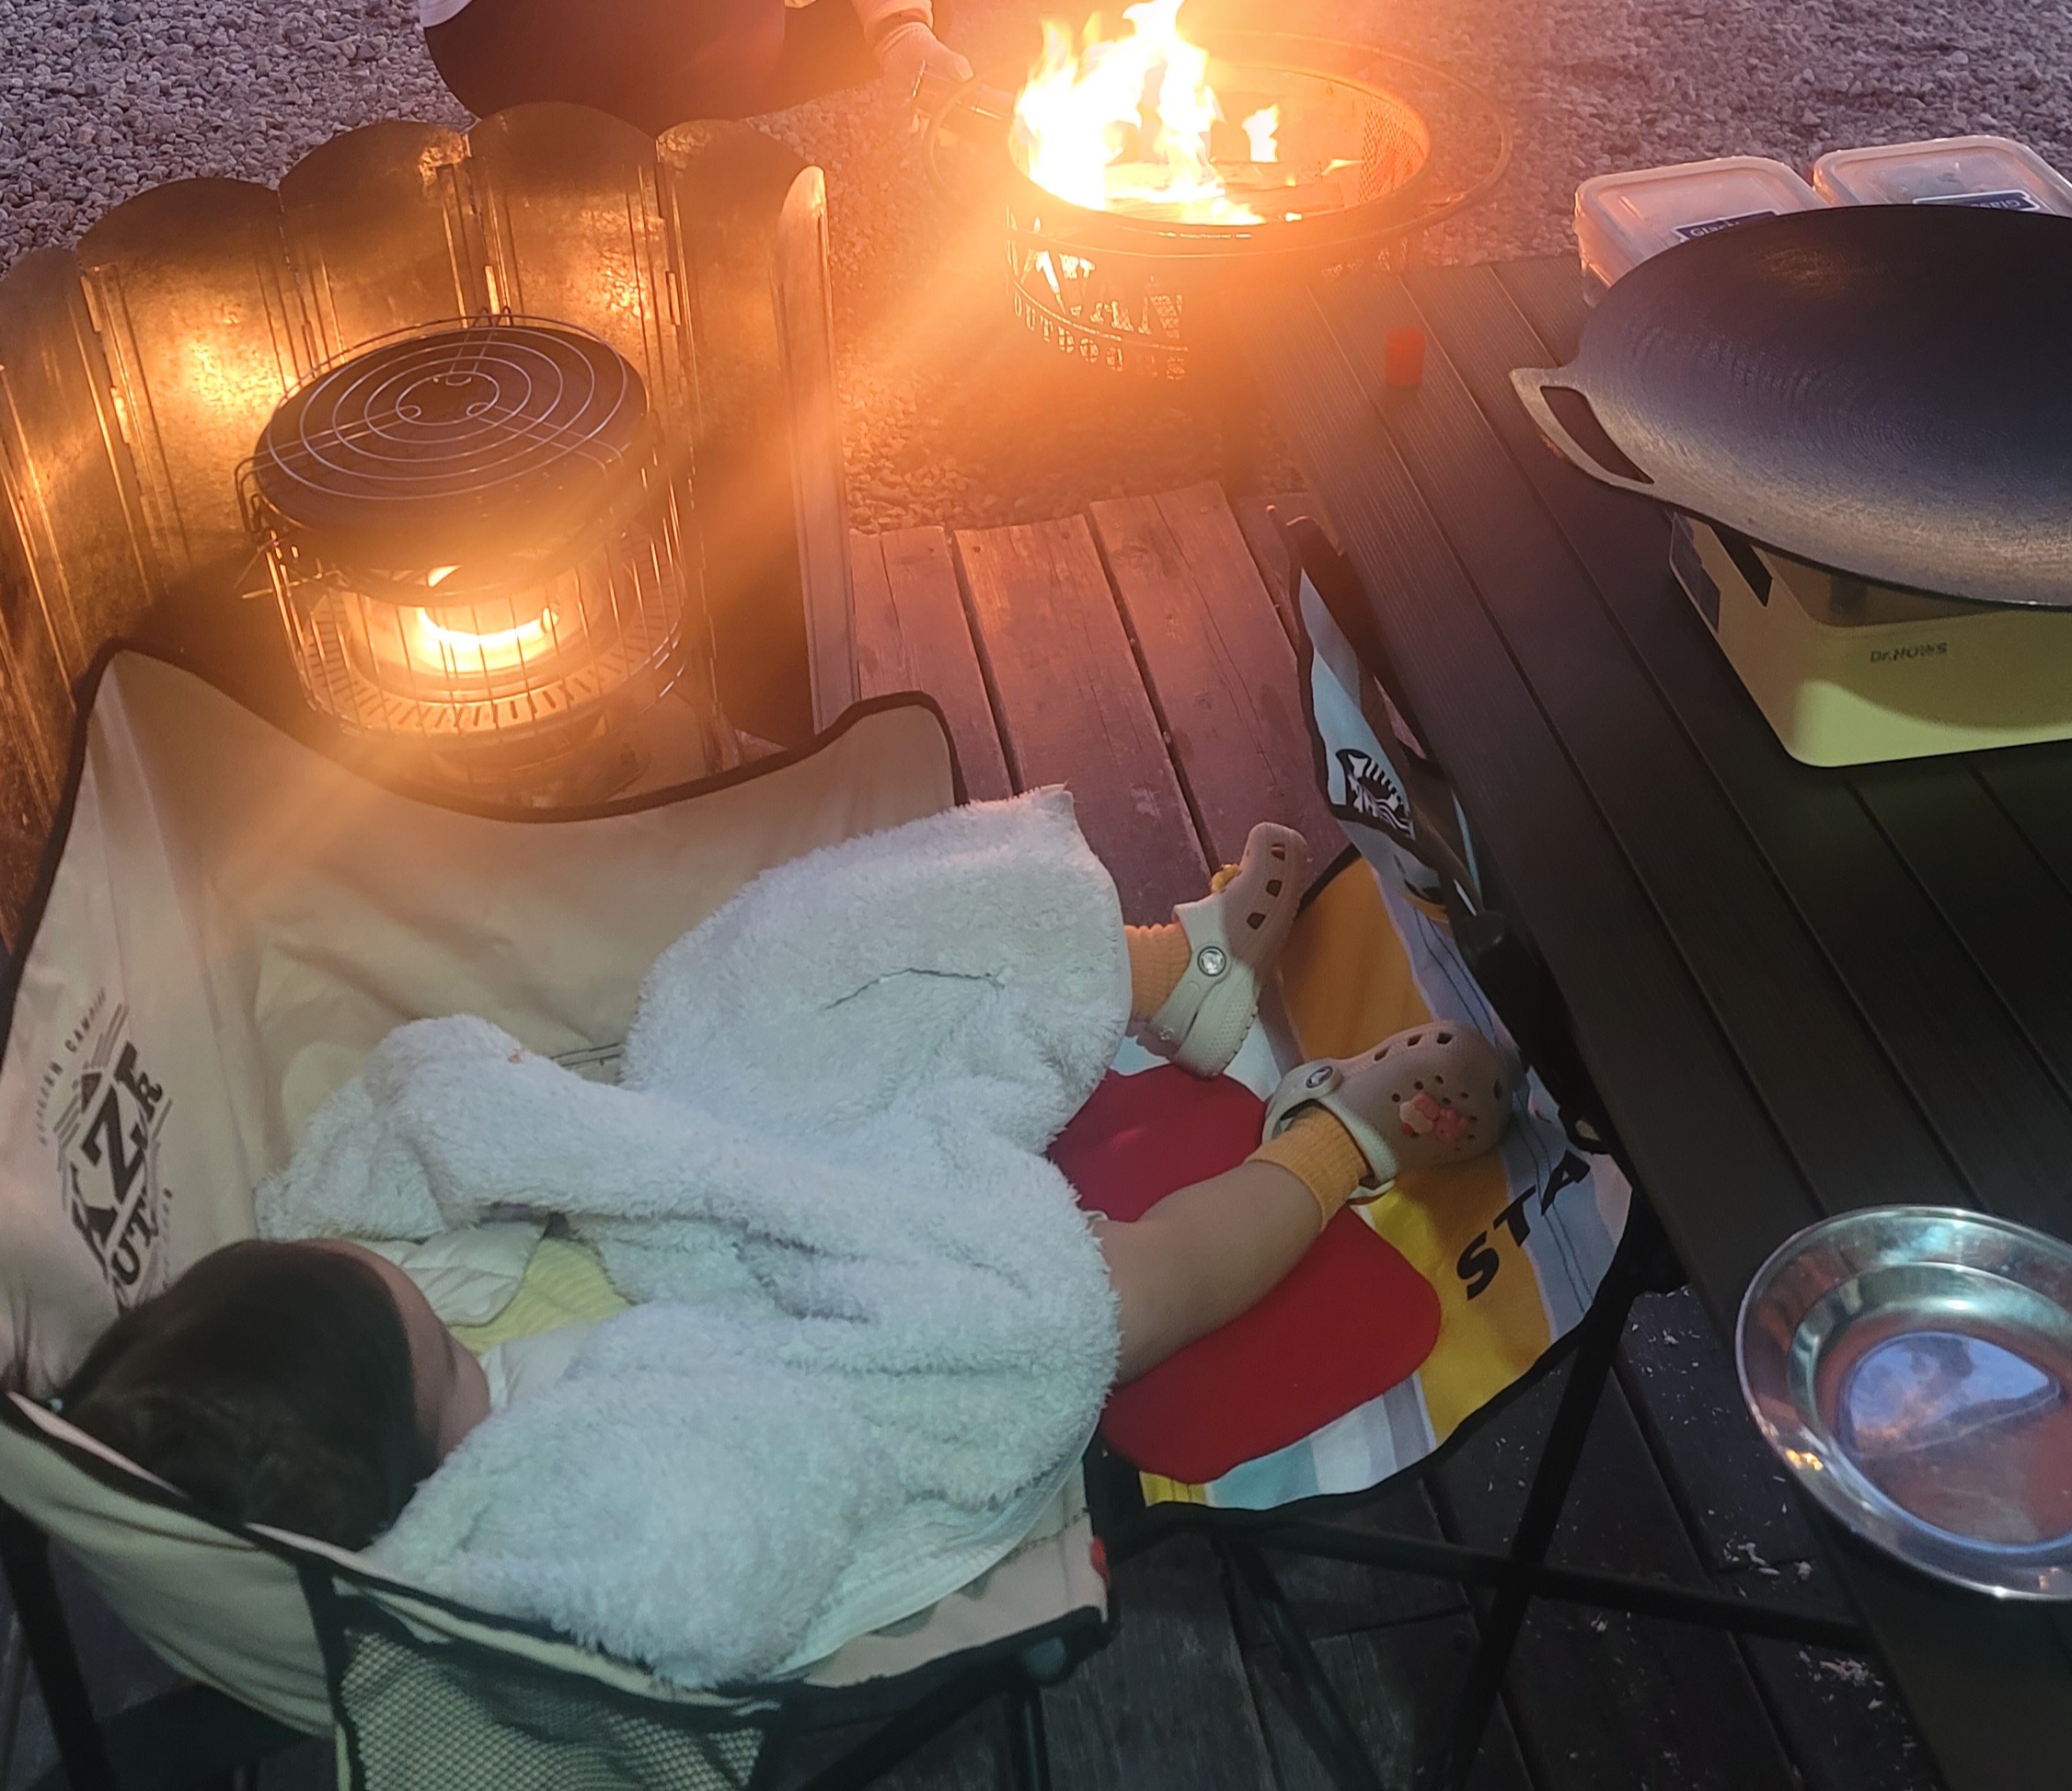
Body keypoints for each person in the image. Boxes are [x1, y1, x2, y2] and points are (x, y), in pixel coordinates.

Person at [56, 805, 1510, 1678]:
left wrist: (504, 1138)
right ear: (406, 1427)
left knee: (780, 970)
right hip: (868, 1332)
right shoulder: (545, 1518)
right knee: (1096, 1309)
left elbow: (430, 1118)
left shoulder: (401, 1308)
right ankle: (1333, 1142)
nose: (349, 1253)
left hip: (735, 1176)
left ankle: (1165, 968)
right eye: (359, 1291)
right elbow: (732, 1543)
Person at [418, 0, 974, 135]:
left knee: (928, 10)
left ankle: (630, 128)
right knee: (741, 18)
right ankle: (624, 169)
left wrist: (899, 30)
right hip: (493, 30)